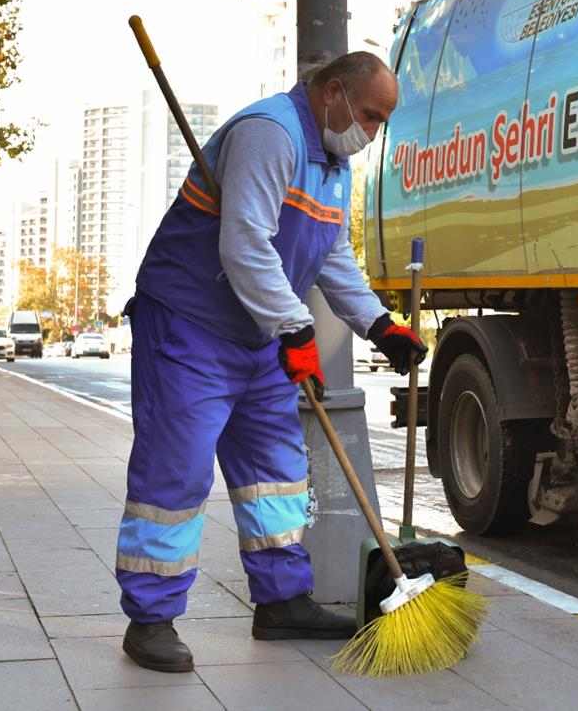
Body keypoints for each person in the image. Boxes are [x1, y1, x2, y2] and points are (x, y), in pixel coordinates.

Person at [116, 52, 427, 673]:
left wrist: (379, 323)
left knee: (276, 473)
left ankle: (283, 600)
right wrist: (294, 328)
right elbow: (245, 244)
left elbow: (331, 256)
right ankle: (150, 619)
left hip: (254, 333)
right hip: (191, 324)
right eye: (369, 115)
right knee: (174, 475)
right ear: (333, 92)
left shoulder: (331, 165)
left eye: (382, 122)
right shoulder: (270, 133)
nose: (372, 132)